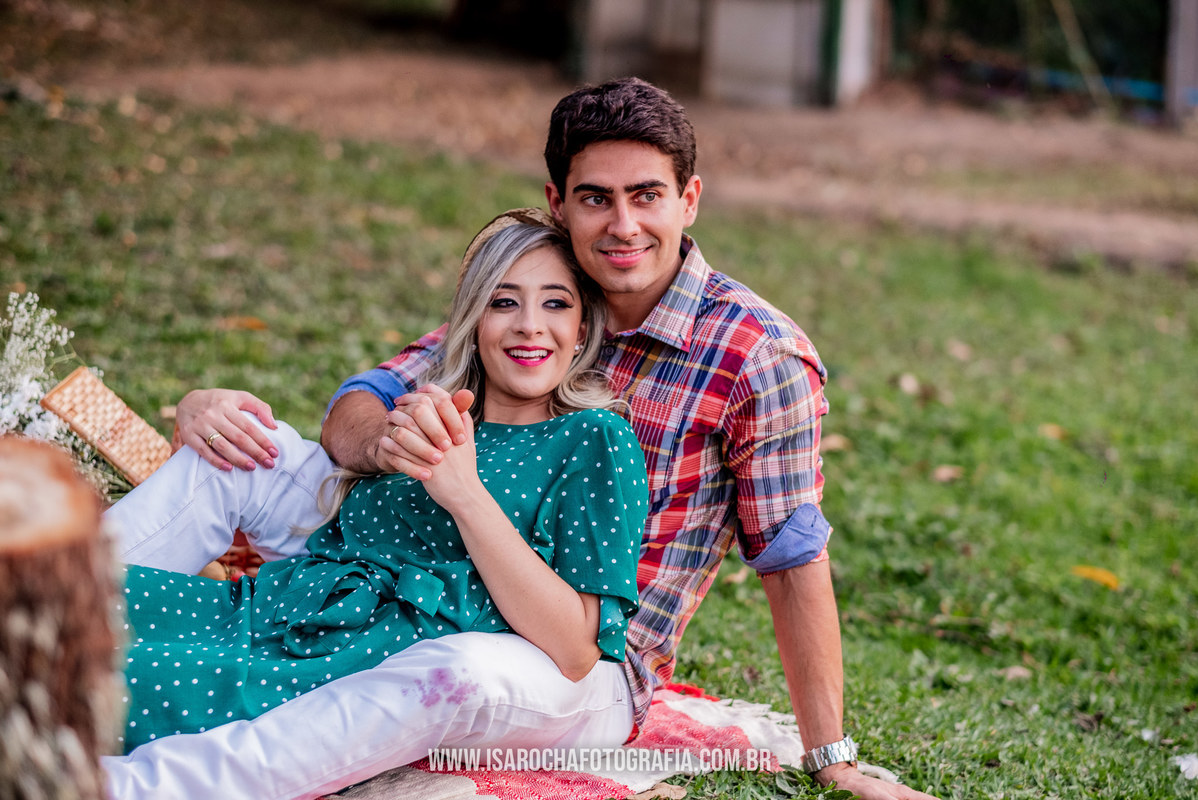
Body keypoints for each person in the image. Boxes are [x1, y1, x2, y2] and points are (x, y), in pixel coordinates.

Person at [106, 78, 940, 800]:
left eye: (647, 195)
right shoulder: (547, 286)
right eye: (596, 198)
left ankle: (148, 782)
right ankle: (58, 597)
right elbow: (361, 404)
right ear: (558, 201)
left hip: (579, 653)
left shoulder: (758, 356)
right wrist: (395, 443)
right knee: (243, 448)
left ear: (689, 200)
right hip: (426, 559)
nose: (622, 225)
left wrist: (831, 758)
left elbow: (792, 558)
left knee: (457, 670)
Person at [104, 215, 647, 762]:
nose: (530, 325)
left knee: (103, 682)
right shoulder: (432, 416)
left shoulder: (592, 436)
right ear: (473, 322)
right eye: (504, 302)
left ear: (582, 330)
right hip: (279, 606)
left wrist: (464, 494)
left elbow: (576, 648)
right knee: (81, 610)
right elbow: (347, 435)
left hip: (353, 660)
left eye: (555, 303)